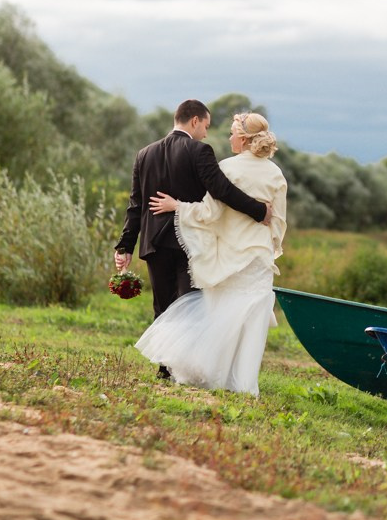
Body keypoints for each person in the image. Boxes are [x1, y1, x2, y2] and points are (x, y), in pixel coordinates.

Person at [114, 99, 271, 379]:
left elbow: (135, 205)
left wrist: (125, 246)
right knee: (190, 305)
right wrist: (259, 211)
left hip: (154, 243)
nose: (206, 133)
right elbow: (222, 190)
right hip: (189, 241)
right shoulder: (199, 151)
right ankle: (183, 370)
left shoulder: (144, 154)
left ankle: (166, 369)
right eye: (206, 126)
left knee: (164, 306)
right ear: (195, 121)